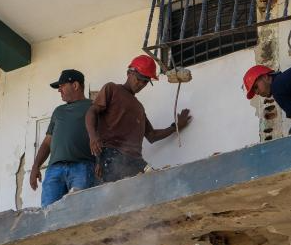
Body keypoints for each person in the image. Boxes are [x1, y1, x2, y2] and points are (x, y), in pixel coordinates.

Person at [86, 55, 191, 182]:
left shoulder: (139, 108)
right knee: (117, 196)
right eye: (139, 78)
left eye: (146, 81)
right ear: (129, 73)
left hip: (135, 160)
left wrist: (175, 127)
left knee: (146, 191)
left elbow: (152, 135)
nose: (141, 84)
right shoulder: (112, 89)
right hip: (112, 154)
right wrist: (93, 137)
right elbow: (92, 111)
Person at [30, 69, 99, 207]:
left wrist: (100, 162)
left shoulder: (93, 107)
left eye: (62, 86)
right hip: (54, 171)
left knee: (80, 211)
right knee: (48, 214)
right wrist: (35, 166)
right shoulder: (58, 111)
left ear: (75, 85)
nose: (59, 90)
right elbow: (47, 142)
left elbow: (103, 137)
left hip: (83, 167)